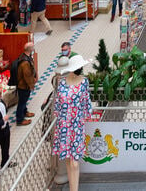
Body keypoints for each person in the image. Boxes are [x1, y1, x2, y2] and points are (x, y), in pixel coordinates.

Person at [52, 55, 93, 191]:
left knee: (74, 162)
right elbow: (57, 105)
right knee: (69, 160)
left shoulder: (83, 82)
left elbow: (86, 102)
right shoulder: (62, 83)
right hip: (64, 125)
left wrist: (87, 115)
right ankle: (72, 188)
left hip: (76, 126)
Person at [15, 42, 37, 126]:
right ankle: (20, 120)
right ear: (30, 49)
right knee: (22, 102)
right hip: (23, 86)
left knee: (24, 101)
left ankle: (24, 112)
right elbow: (27, 75)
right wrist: (31, 85)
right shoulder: (25, 63)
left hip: (24, 85)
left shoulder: (25, 57)